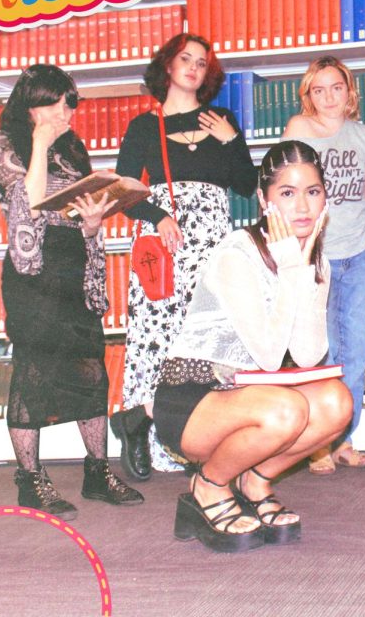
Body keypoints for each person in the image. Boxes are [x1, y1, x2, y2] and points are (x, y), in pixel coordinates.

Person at [155, 141, 351, 553]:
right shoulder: (237, 254)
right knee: (287, 409)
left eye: (312, 192)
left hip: (250, 396)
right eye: (287, 193)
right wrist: (290, 270)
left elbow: (310, 353)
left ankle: (255, 480)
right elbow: (267, 353)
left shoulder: (314, 260)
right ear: (264, 199)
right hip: (194, 399)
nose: (302, 206)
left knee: (336, 403)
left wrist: (299, 268)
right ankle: (207, 487)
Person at [0, 64, 144, 519]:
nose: (65, 111)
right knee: (33, 372)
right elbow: (26, 203)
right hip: (34, 271)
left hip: (74, 264)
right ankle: (30, 479)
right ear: (30, 104)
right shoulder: (2, 143)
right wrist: (39, 142)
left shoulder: (75, 148)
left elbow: (82, 215)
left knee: (91, 367)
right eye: (56, 102)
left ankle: (98, 470)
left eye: (70, 102)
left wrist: (94, 220)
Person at [109, 33, 256, 481]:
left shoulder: (222, 119)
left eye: (202, 62)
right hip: (163, 242)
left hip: (213, 240)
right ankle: (139, 422)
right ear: (168, 66)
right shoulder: (143, 126)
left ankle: (196, 438)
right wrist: (157, 216)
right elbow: (123, 190)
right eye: (185, 59)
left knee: (206, 335)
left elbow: (247, 185)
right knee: (156, 336)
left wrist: (232, 141)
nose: (194, 67)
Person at [283, 56, 365, 473]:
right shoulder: (298, 130)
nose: (329, 97)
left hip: (360, 253)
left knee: (355, 353)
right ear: (308, 95)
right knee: (317, 352)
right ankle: (317, 443)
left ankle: (345, 438)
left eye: (336, 88)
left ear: (350, 92)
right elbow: (286, 193)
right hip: (316, 254)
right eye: (318, 89)